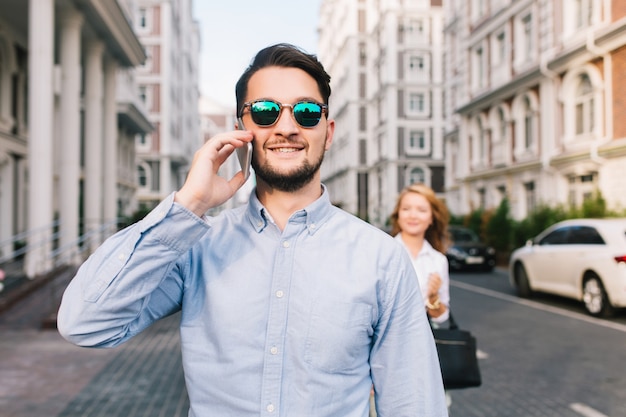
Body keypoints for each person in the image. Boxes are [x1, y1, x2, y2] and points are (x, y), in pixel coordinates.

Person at [57, 43, 447, 416]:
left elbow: (414, 400)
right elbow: (85, 324)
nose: (288, 127)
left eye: (307, 112)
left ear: (327, 132)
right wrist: (188, 206)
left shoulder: (379, 256)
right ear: (241, 130)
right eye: (265, 111)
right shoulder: (196, 245)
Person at [389, 182, 452, 407]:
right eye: (406, 209)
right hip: (387, 351)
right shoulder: (383, 253)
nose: (413, 215)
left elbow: (442, 316)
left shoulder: (437, 260)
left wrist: (433, 296)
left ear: (431, 217)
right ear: (398, 214)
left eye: (421, 210)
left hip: (425, 353)